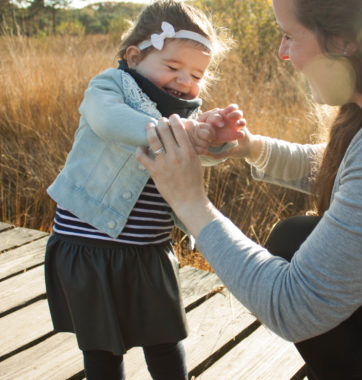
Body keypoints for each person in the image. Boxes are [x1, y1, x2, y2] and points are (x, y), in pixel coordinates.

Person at [136, 0, 362, 379]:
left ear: (344, 40)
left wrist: (191, 203)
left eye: (290, 35)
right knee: (296, 236)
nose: (282, 52)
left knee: (291, 246)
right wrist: (251, 148)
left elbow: (293, 306)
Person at [44, 1, 244, 379]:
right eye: (173, 67)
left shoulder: (183, 114)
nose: (186, 82)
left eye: (198, 75)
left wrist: (215, 139)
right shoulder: (109, 87)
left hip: (149, 251)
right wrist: (181, 131)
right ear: (134, 56)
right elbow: (109, 122)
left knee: (165, 341)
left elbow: (201, 156)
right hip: (90, 245)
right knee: (104, 348)